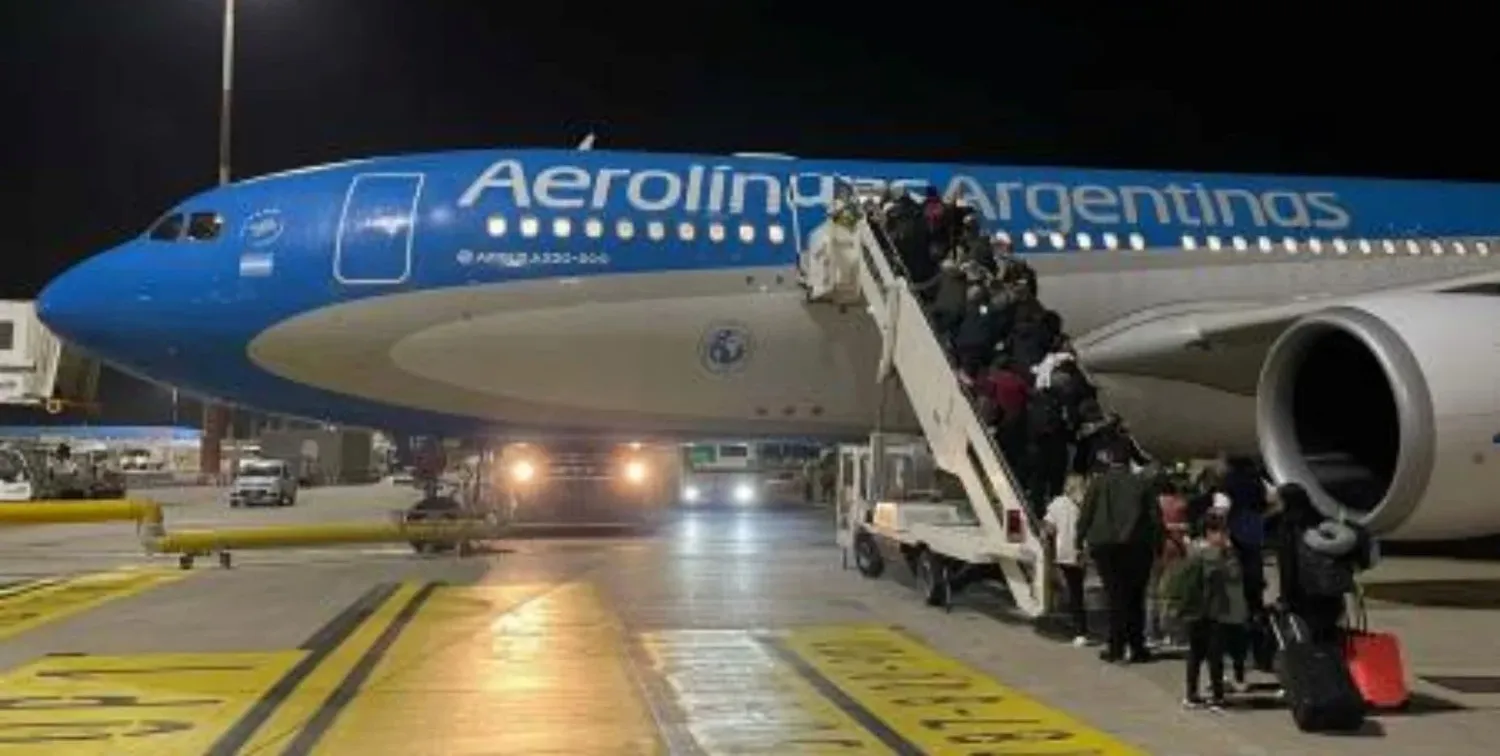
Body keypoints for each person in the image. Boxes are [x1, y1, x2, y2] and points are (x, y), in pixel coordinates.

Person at [1077, 445, 1164, 663]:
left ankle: (1116, 647)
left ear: (1110, 460)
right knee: (1136, 597)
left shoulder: (1098, 483)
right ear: (1130, 463)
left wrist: (1078, 540)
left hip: (1105, 545)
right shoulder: (1142, 484)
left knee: (1115, 596)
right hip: (1138, 546)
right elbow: (1155, 518)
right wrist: (1158, 545)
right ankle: (1137, 647)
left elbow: (1086, 513)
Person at [1167, 512, 1249, 711]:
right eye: (1220, 532)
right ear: (1209, 533)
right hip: (1213, 612)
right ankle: (1217, 696)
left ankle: (1192, 694)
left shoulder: (1192, 551)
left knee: (1196, 654)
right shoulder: (1215, 555)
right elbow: (1235, 575)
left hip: (1195, 611)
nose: (1224, 537)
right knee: (1214, 655)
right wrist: (1229, 553)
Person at [1046, 477, 1090, 647]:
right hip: (1081, 553)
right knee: (1077, 590)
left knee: (1070, 590)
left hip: (1063, 553)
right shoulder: (1086, 504)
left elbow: (1049, 528)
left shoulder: (1057, 503)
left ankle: (1077, 628)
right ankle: (1080, 629)